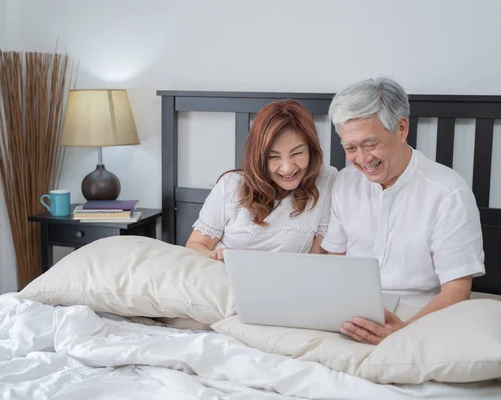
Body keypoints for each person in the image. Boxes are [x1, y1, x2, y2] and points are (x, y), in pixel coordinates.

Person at [322, 77, 486, 344]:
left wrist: (406, 331)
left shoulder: (448, 192)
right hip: (352, 313)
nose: (362, 160)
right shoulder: (344, 182)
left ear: (401, 128)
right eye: (350, 148)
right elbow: (334, 262)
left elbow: (457, 289)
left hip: (419, 313)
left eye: (370, 144)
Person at [186, 99, 337, 260]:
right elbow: (194, 246)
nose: (287, 168)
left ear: (311, 149)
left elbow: (317, 259)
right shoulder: (231, 185)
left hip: (291, 281)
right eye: (273, 156)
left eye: (297, 153)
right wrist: (214, 255)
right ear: (258, 157)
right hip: (227, 277)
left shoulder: (325, 180)